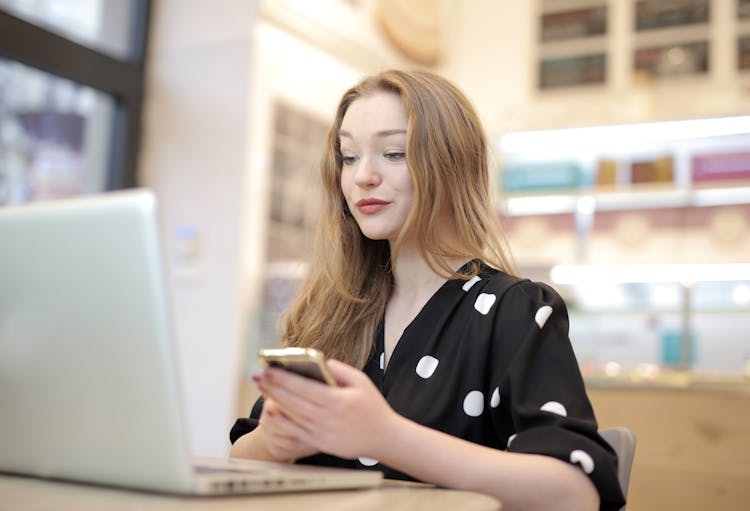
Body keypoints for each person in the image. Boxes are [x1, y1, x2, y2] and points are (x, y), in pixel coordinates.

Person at [229, 69, 625, 511]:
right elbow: (241, 456)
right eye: (349, 156)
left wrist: (387, 437)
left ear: (451, 163)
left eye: (394, 153)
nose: (363, 176)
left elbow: (575, 493)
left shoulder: (513, 312)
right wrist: (275, 439)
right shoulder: (329, 312)